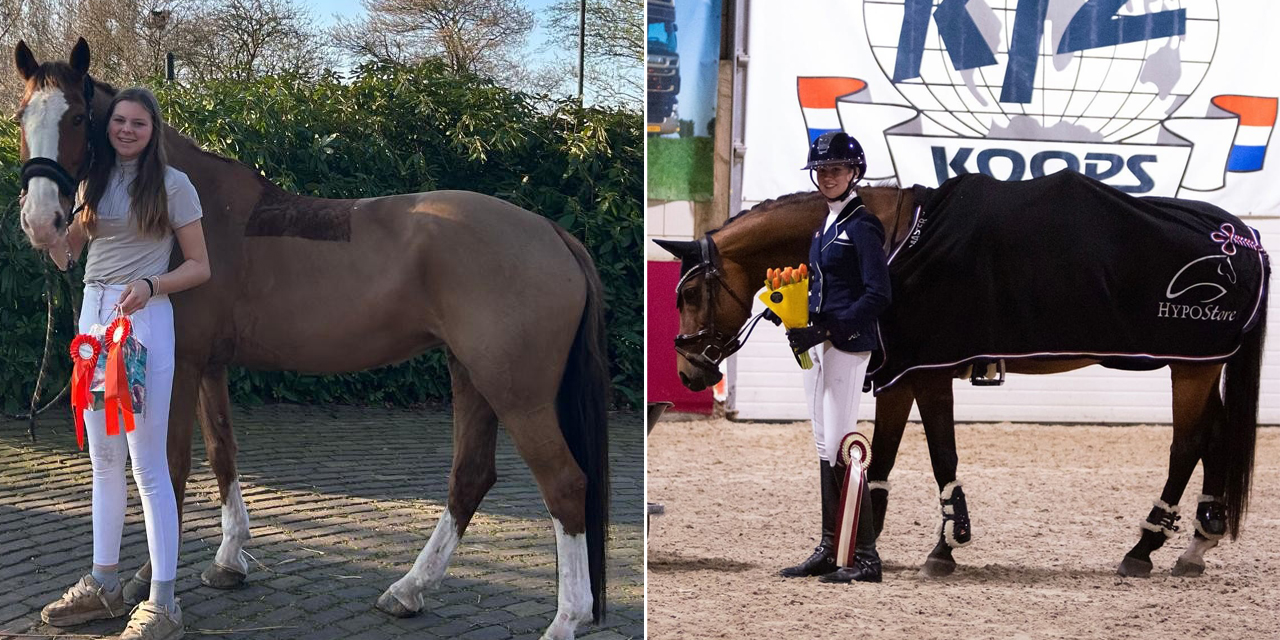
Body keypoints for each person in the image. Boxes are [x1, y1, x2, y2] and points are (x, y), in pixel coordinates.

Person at [39, 87, 210, 640]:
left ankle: (164, 603)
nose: (127, 129)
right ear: (107, 126)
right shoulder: (94, 182)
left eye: (138, 122)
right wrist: (51, 238)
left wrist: (151, 283)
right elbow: (71, 254)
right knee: (104, 459)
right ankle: (104, 583)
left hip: (142, 327)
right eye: (119, 121)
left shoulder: (174, 185)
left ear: (153, 129)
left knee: (147, 465)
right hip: (93, 327)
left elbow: (200, 267)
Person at [773, 131, 891, 583]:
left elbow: (878, 294)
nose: (827, 176)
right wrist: (788, 313)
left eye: (836, 169)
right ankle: (829, 545)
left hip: (846, 343)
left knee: (845, 447)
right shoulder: (826, 225)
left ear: (854, 173)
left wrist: (828, 327)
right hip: (820, 345)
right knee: (825, 447)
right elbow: (821, 288)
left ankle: (866, 557)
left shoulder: (862, 225)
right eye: (821, 170)